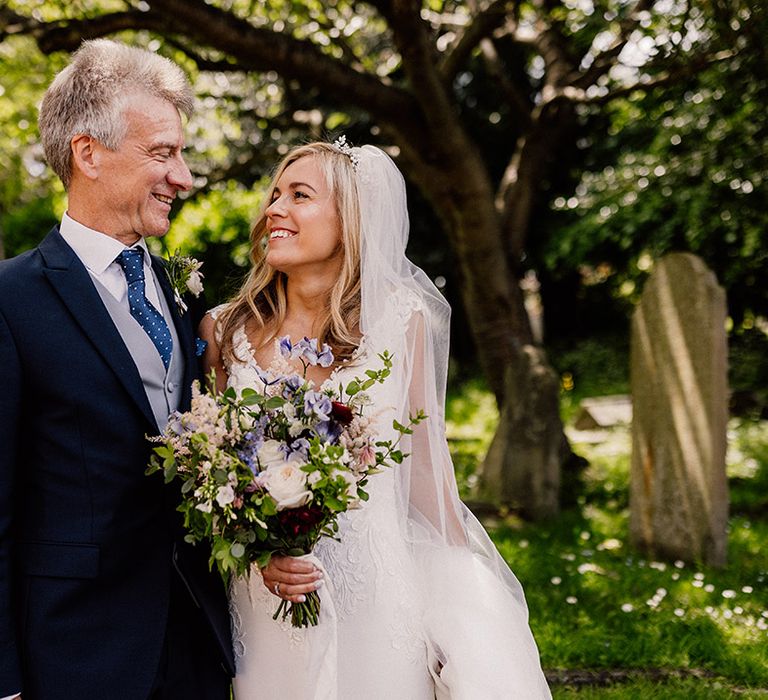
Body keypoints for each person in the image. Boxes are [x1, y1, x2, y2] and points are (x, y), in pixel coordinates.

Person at [200, 141, 551, 698]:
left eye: (300, 195)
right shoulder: (225, 332)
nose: (274, 210)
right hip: (265, 593)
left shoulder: (397, 322)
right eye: (274, 195)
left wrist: (464, 608)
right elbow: (210, 473)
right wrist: (259, 548)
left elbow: (427, 478)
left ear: (351, 221)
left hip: (374, 586)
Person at [0, 40, 234, 699]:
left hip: (197, 645)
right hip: (76, 658)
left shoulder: (178, 289)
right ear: (88, 153)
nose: (184, 178)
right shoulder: (11, 301)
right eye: (163, 153)